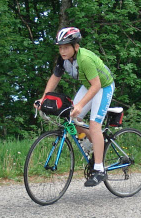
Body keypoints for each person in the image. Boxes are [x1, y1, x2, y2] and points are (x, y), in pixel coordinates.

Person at [36, 27, 115, 187]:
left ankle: (99, 170)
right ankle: (96, 145)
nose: (62, 51)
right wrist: (43, 98)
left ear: (76, 46)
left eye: (66, 47)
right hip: (89, 85)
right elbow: (55, 77)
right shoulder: (63, 59)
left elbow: (97, 85)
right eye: (60, 47)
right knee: (71, 119)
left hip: (103, 86)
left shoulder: (84, 59)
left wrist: (79, 105)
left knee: (94, 125)